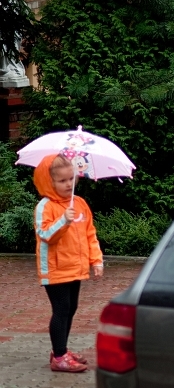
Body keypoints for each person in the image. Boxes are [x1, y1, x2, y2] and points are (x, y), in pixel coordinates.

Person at [33, 155, 103, 373]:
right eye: (62, 180)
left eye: (71, 178)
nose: (68, 184)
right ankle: (60, 357)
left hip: (76, 267)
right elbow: (45, 234)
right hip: (55, 269)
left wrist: (96, 259)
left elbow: (90, 234)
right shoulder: (45, 206)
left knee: (71, 308)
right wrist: (64, 220)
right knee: (61, 309)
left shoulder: (80, 204)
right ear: (48, 181)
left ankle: (60, 350)